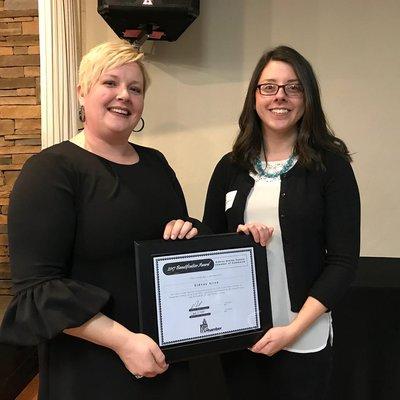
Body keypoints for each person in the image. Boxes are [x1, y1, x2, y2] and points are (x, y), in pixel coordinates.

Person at [0, 40, 206, 400]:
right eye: (110, 83)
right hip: (91, 368)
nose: (124, 95)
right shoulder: (51, 171)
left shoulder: (156, 164)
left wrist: (189, 230)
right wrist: (125, 343)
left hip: (165, 358)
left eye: (135, 88)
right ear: (82, 92)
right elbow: (38, 290)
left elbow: (168, 242)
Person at [203, 46, 360, 400]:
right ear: (254, 97)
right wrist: (237, 240)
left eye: (293, 87)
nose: (280, 97)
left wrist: (292, 330)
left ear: (307, 97)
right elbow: (211, 244)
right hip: (241, 328)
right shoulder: (230, 167)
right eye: (269, 87)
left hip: (303, 332)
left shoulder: (331, 167)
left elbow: (343, 262)